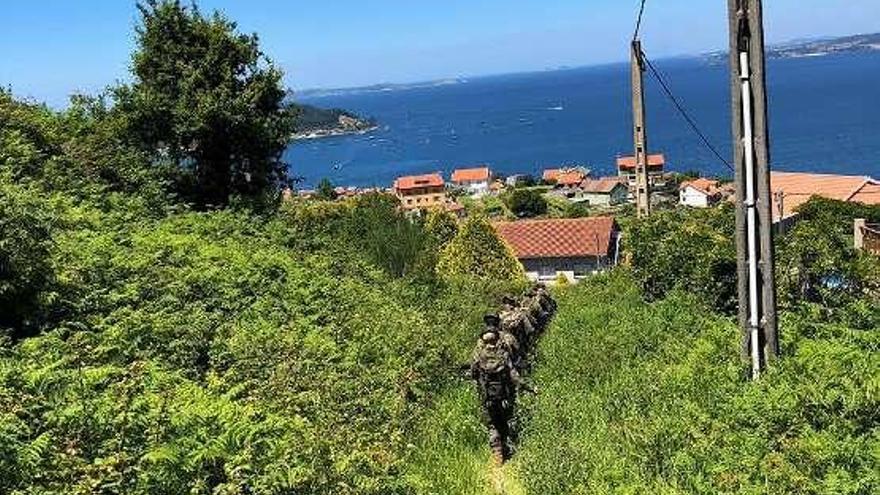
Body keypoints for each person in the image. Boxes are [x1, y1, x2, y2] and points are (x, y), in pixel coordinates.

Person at [471, 330, 521, 464]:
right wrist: (526, 386)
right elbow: (514, 376)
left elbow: (473, 374)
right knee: (505, 420)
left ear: (483, 341)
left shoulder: (478, 356)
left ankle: (497, 454)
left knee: (492, 425)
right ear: (496, 340)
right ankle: (506, 446)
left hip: (487, 398)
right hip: (504, 397)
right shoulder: (503, 355)